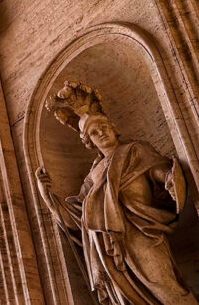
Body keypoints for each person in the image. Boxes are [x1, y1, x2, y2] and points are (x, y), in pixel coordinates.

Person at [38, 81, 197, 304]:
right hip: (108, 248)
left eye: (103, 127)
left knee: (165, 286)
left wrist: (170, 179)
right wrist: (48, 196)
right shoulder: (92, 176)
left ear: (113, 127)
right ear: (89, 142)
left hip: (141, 233)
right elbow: (77, 217)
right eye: (93, 133)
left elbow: (159, 172)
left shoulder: (135, 151)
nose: (101, 133)